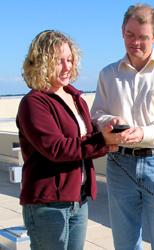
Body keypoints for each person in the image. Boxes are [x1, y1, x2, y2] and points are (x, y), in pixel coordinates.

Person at [91, 3, 154, 250]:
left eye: (143, 37)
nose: (135, 43)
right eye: (130, 35)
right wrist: (107, 122)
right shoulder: (107, 74)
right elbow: (96, 114)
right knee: (124, 243)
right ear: (122, 31)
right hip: (119, 165)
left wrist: (143, 132)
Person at [17, 30, 122, 250]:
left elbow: (84, 141)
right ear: (42, 63)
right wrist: (102, 141)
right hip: (48, 204)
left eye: (70, 59)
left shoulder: (75, 98)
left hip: (78, 200)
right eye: (58, 61)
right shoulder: (34, 103)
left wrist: (109, 135)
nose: (67, 67)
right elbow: (56, 148)